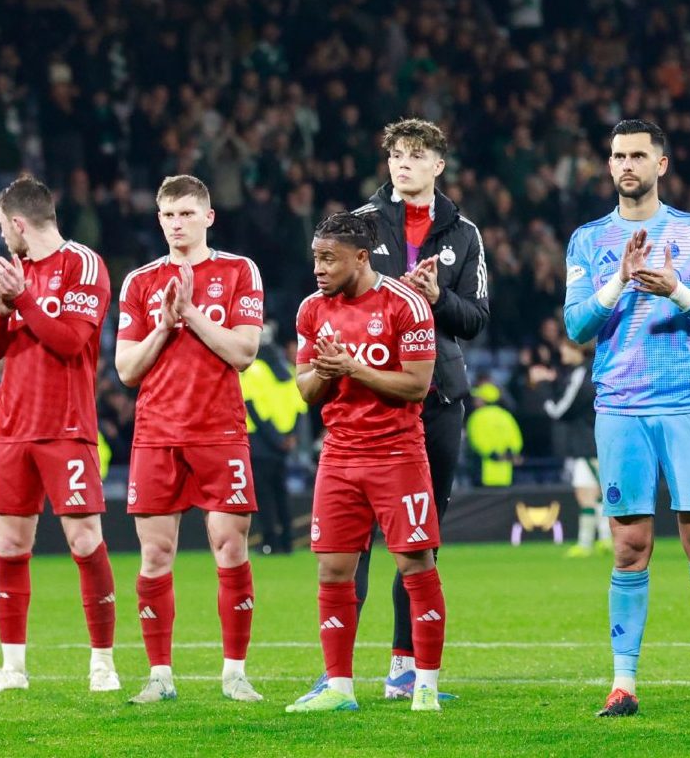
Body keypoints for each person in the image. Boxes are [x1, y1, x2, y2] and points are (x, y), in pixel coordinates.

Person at [563, 119, 690, 716]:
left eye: (639, 155)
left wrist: (674, 289)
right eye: (618, 155)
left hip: (688, 400)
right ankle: (623, 684)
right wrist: (617, 281)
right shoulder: (588, 240)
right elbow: (575, 327)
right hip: (620, 403)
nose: (626, 165)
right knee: (628, 545)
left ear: (661, 164)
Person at [347, 117, 488, 699]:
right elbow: (333, 297)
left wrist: (436, 296)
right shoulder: (355, 224)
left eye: (415, 155)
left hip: (437, 400)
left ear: (438, 165)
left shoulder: (463, 233)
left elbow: (476, 319)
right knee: (352, 537)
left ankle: (404, 670)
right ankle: (337, 673)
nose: (403, 163)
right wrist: (393, 292)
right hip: (372, 396)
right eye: (396, 155)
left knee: (419, 539)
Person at [287, 212, 448, 714]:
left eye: (328, 258)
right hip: (339, 455)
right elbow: (307, 390)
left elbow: (417, 385)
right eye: (315, 257)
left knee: (414, 564)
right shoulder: (312, 310)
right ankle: (339, 687)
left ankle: (423, 682)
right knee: (333, 569)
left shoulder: (407, 304)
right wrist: (329, 371)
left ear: (361, 258)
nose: (318, 268)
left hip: (397, 454)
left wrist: (353, 366)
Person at [115, 175, 265, 704]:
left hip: (220, 431)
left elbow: (244, 353)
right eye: (167, 215)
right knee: (155, 556)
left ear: (208, 217)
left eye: (185, 213)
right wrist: (162, 327)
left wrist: (191, 314)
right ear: (159, 220)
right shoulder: (138, 282)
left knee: (230, 547)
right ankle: (160, 676)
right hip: (156, 436)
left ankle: (235, 674)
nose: (176, 224)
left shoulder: (239, 270)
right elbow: (126, 370)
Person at [0, 174, 119, 693]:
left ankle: (102, 662)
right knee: (10, 546)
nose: (1, 237)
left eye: (0, 226)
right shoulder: (16, 272)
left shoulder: (83, 264)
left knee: (85, 541)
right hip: (11, 428)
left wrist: (24, 301)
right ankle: (12, 669)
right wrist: (1, 304)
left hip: (65, 425)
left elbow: (72, 342)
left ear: (16, 222)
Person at [241, 324, 306, 555]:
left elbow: (253, 408)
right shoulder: (287, 370)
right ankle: (287, 541)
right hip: (284, 442)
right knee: (281, 493)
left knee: (265, 496)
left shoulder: (254, 370)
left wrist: (274, 438)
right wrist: (289, 437)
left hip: (261, 441)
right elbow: (299, 407)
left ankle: (270, 542)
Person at [543, 339, 611, 556]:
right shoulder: (600, 367)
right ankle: (596, 541)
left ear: (577, 349)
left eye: (565, 346)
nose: (561, 349)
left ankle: (597, 541)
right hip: (597, 438)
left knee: (592, 491)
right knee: (589, 492)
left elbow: (559, 410)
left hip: (589, 441)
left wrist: (544, 389)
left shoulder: (581, 374)